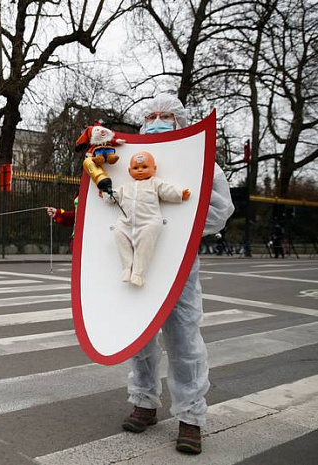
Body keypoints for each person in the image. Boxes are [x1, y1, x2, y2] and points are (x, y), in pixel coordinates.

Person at [121, 94, 234, 455]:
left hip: (178, 263)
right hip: (138, 260)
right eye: (151, 115)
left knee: (184, 341)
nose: (156, 119)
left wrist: (180, 223)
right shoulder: (129, 161)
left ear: (179, 121)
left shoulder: (200, 162)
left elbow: (219, 211)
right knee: (140, 337)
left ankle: (190, 418)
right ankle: (144, 403)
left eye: (165, 115)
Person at [111, 151, 191, 286]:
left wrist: (179, 194)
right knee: (119, 233)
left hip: (149, 221)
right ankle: (127, 267)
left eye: (144, 167)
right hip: (127, 221)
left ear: (154, 168)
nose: (140, 170)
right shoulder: (125, 186)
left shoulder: (155, 182)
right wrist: (106, 194)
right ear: (129, 171)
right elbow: (114, 197)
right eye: (136, 168)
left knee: (145, 245)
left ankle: (138, 273)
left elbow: (166, 191)